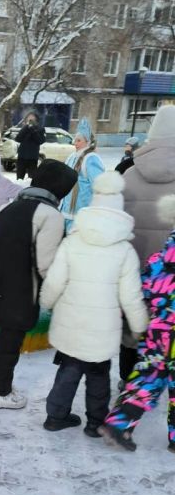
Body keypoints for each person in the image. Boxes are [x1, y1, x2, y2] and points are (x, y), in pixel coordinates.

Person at [0, 160, 77, 409]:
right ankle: (0, 392)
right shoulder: (51, 216)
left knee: (8, 333)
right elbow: (46, 263)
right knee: (12, 341)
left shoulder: (9, 207)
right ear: (60, 191)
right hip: (23, 290)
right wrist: (61, 290)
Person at [40, 172, 147, 437]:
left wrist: (47, 302)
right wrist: (139, 326)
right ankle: (95, 422)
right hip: (103, 328)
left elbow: (55, 280)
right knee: (99, 377)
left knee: (68, 370)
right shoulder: (124, 251)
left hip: (71, 322)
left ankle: (55, 416)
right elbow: (131, 296)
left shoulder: (73, 240)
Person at [100, 193, 175, 453]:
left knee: (148, 377)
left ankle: (118, 424)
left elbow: (144, 289)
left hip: (160, 330)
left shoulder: (159, 259)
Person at [120, 105, 175, 381]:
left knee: (133, 325)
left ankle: (127, 378)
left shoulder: (129, 174)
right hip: (169, 272)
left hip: (133, 264)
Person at [61, 117, 105, 230]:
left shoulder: (91, 159)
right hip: (65, 213)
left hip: (80, 216)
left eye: (79, 140)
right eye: (75, 140)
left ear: (88, 141)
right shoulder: (72, 157)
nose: (75, 143)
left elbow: (100, 186)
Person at [15, 112, 46, 181]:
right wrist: (26, 127)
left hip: (32, 158)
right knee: (19, 178)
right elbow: (18, 139)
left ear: (36, 119)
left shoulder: (40, 129)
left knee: (32, 179)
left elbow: (40, 141)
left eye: (32, 116)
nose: (30, 118)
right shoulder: (24, 128)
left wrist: (33, 129)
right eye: (29, 117)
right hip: (22, 157)